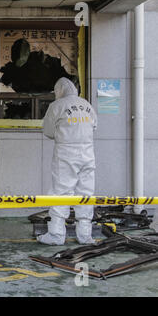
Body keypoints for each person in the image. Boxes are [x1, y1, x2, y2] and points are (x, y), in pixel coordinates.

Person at [38, 77, 98, 246]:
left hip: (65, 153)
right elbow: (94, 127)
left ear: (59, 90)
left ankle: (56, 235)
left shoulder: (56, 106)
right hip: (87, 152)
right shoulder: (87, 105)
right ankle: (85, 236)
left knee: (60, 192)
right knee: (86, 193)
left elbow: (48, 132)